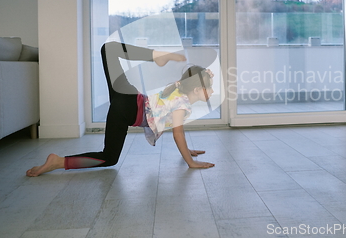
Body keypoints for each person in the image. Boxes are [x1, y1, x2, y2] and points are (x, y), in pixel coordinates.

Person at [26, 41, 215, 177]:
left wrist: (188, 150)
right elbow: (178, 134)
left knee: (108, 49)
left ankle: (155, 56)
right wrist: (190, 162)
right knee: (109, 158)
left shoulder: (178, 91)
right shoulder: (182, 105)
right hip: (126, 108)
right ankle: (58, 162)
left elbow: (176, 132)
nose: (213, 91)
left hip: (127, 95)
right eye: (210, 87)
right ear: (197, 90)